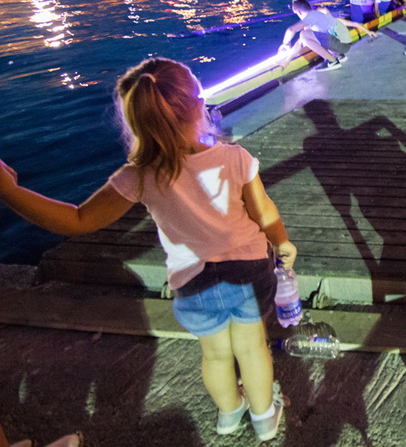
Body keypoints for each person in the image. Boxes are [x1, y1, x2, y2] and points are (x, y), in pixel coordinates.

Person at [0, 58, 300, 441]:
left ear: (135, 123)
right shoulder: (234, 158)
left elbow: (77, 220)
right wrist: (282, 241)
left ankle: (229, 413)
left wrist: (11, 192)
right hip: (248, 269)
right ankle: (264, 418)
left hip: (193, 281)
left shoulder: (139, 175)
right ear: (199, 106)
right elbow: (264, 212)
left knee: (215, 354)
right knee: (253, 348)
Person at [279, 0, 375, 71]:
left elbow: (291, 30)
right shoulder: (321, 17)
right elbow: (300, 42)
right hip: (342, 47)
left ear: (299, 12)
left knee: (303, 34)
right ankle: (338, 56)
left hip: (340, 46)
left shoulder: (311, 17)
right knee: (304, 36)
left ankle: (332, 61)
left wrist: (285, 44)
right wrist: (287, 60)